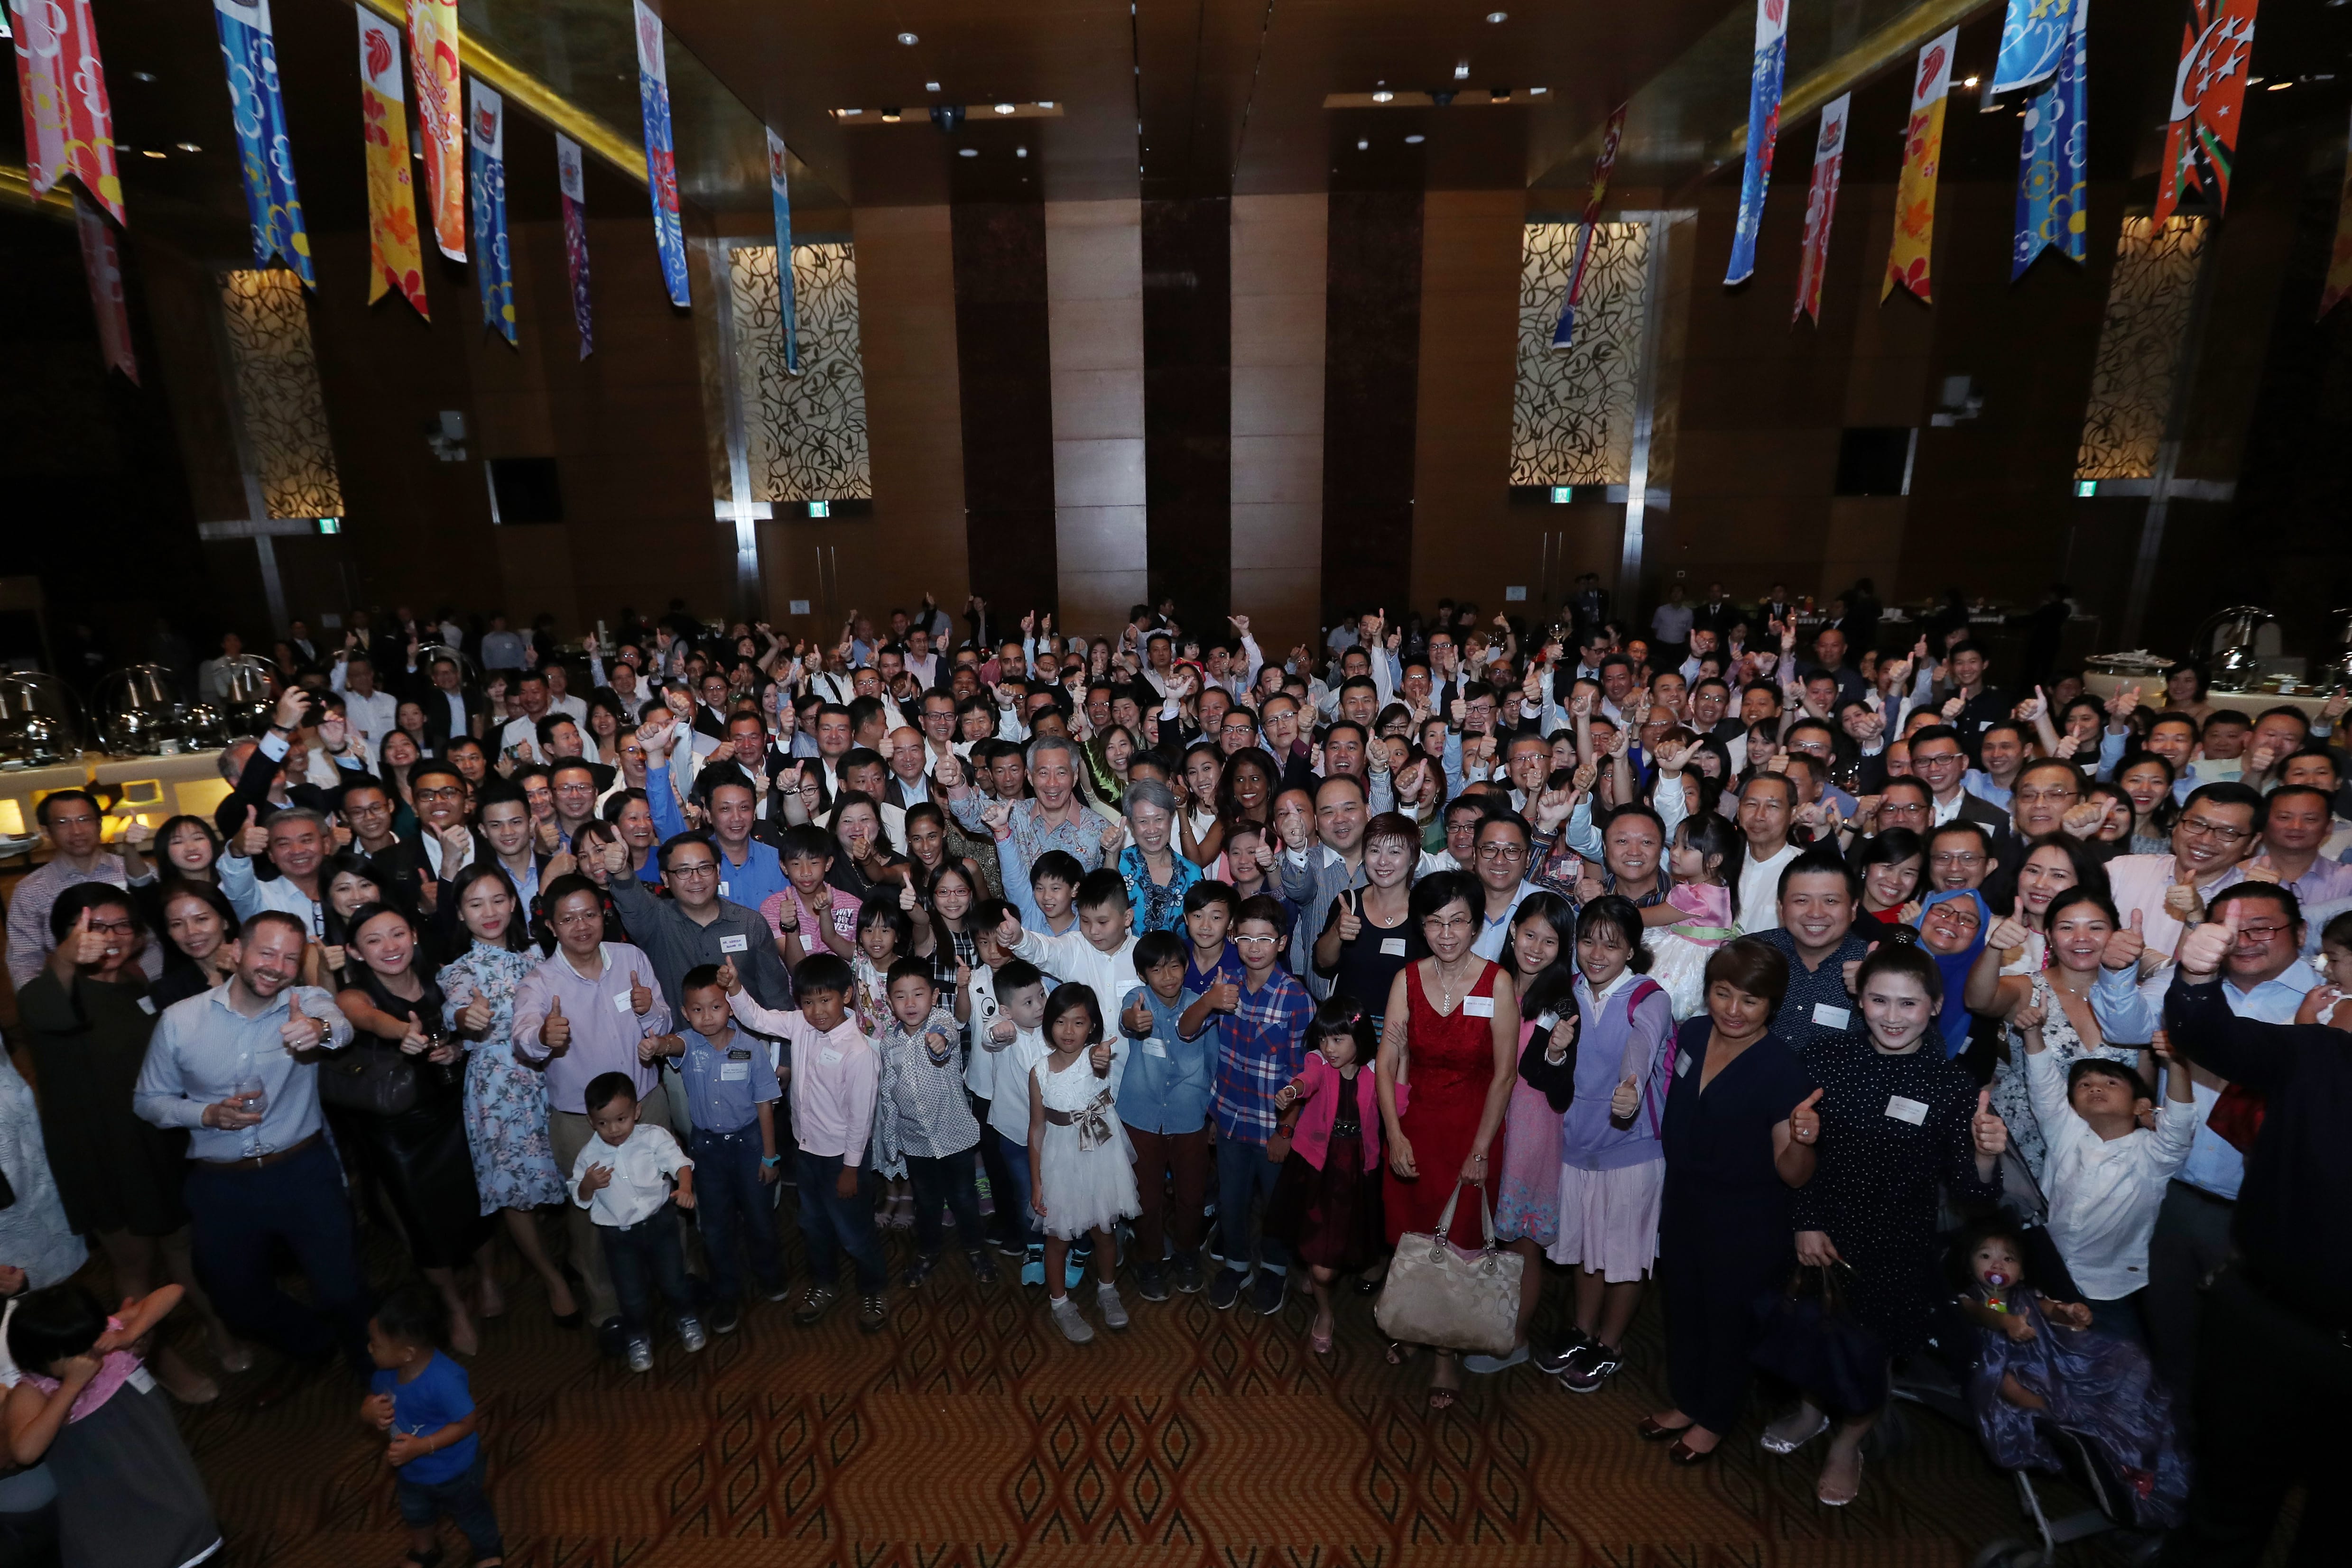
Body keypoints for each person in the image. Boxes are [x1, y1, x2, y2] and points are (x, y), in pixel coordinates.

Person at [1764, 943, 2003, 1505]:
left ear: (1935, 1007)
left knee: (1870, 1354)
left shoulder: (1951, 1087)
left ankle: (1848, 1442)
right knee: (1809, 1337)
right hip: (1820, 1228)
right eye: (1878, 1000)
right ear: (1859, 998)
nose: (1891, 1017)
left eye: (1907, 1004)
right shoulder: (1824, 1059)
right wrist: (1805, 1223)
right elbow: (1800, 1159)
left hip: (1897, 1246)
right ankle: (1809, 1411)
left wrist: (1987, 1155)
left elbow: (1973, 1195)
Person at [2158, 903, 2352, 1565]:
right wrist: (2196, 973)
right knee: (2225, 1514)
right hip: (2267, 1325)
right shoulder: (2320, 1054)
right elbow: (2212, 1036)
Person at [13, 889, 244, 1404]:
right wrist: (66, 961)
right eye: (93, 928)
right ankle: (156, 1361)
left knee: (184, 1246)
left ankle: (216, 1327)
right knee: (135, 1262)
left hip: (155, 1135)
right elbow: (48, 1005)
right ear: (66, 938)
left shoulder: (136, 981)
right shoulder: (48, 992)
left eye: (122, 927)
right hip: (102, 1151)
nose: (110, 939)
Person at [132, 912, 369, 1402]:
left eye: (289, 958)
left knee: (343, 1288)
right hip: (222, 1184)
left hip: (303, 1171)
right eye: (266, 952)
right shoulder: (181, 1020)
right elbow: (147, 1101)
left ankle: (373, 1370)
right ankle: (313, 1342)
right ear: (236, 951)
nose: (277, 967)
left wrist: (317, 1031)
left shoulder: (305, 1004)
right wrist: (206, 1115)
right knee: (235, 1300)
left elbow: (339, 1028)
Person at [1641, 938, 1817, 1463]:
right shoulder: (1692, 1033)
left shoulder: (1781, 1069)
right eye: (1722, 994)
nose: (1733, 1011)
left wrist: (1804, 1140)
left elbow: (1793, 1174)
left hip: (1744, 1219)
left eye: (1749, 1001)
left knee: (1727, 1320)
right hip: (1684, 1201)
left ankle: (1715, 1416)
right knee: (1682, 1309)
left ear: (1771, 1005)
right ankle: (1687, 1400)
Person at [509, 878, 678, 1350]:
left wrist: (651, 1013)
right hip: (580, 1122)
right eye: (567, 919)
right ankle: (608, 1311)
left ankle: (679, 1285)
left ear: (603, 914)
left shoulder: (631, 959)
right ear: (551, 926)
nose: (581, 926)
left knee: (664, 1196)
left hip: (646, 1104)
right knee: (590, 1215)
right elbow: (522, 1037)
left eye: (589, 915)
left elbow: (662, 1020)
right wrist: (544, 1037)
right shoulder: (540, 982)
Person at [1376, 871, 1521, 1410]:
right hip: (1417, 1125)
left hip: (1472, 1129)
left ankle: (1445, 1356)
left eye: (1458, 921)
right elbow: (1387, 1062)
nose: (1446, 933)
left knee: (1458, 1240)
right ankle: (1414, 1320)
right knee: (1412, 1233)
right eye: (1435, 923)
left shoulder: (1497, 983)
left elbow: (1505, 1074)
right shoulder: (1407, 980)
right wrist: (1393, 1133)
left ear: (1476, 924)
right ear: (1421, 926)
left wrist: (1481, 1149)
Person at [1526, 894, 1675, 1395]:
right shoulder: (1564, 992)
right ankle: (1581, 1331)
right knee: (1586, 1247)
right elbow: (1538, 1065)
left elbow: (1643, 1043)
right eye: (1587, 940)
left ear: (1630, 950)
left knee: (1624, 1253)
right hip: (1572, 1144)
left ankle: (1610, 1345)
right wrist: (1550, 1051)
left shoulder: (1648, 997)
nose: (1595, 953)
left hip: (1630, 1150)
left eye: (1610, 945)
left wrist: (1629, 1086)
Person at [331, 903, 493, 1354]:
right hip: (398, 1131)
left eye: (397, 933)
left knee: (477, 1201)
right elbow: (365, 1018)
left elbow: (465, 1029)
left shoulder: (440, 978)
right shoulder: (353, 995)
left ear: (414, 936)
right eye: (374, 940)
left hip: (453, 1109)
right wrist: (401, 1030)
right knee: (425, 1223)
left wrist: (456, 1051)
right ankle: (453, 1307)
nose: (389, 947)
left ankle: (487, 1278)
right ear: (355, 951)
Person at [719, 954, 889, 1333]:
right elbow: (759, 1018)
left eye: (825, 1000)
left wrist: (850, 1169)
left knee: (854, 1231)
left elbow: (861, 1119)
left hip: (844, 1160)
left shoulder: (858, 1052)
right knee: (813, 1225)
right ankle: (825, 1283)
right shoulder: (799, 1025)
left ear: (846, 996)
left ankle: (874, 1288)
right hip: (807, 1151)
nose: (816, 1011)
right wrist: (734, 989)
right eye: (808, 1002)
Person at [439, 864, 577, 1326]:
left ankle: (581, 1257)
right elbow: (455, 1009)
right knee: (515, 1189)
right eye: (475, 904)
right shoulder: (459, 971)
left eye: (497, 900)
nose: (489, 912)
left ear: (513, 902)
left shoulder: (540, 954)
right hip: (497, 1090)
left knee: (570, 1169)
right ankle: (550, 1277)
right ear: (460, 913)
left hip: (554, 1073)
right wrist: (464, 1020)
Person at [2, 1283, 220, 1568]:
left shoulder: (106, 1341)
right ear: (38, 1356)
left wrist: (129, 1332)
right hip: (111, 1525)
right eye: (67, 1353)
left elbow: (172, 1292)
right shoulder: (35, 1390)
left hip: (173, 1498)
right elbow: (25, 1452)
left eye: (85, 1341)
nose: (84, 1355)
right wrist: (71, 1386)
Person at [1189, 894, 1314, 1318]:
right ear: (1233, 938)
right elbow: (1189, 1030)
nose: (1254, 947)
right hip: (1228, 1119)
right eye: (1245, 937)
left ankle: (1275, 1269)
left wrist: (1287, 1130)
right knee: (1233, 1198)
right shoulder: (1225, 984)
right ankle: (1237, 1265)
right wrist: (1209, 1000)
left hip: (1273, 1126)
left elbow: (1304, 1074)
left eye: (1265, 938)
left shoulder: (1296, 998)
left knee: (1276, 1204)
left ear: (1281, 943)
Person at [360, 1282, 504, 1568]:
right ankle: (425, 1551)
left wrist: (423, 1446)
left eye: (376, 1345)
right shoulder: (386, 1373)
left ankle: (488, 1552)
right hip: (412, 1471)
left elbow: (467, 1422)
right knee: (416, 1515)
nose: (369, 1349)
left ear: (408, 1353)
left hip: (456, 1469)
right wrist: (368, 1412)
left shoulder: (444, 1381)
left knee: (471, 1513)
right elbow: (375, 1401)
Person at [1026, 982, 1138, 1343]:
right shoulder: (1039, 1072)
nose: (1069, 1031)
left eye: (1078, 1022)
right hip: (1059, 1160)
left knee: (1104, 1232)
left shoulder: (1095, 1057)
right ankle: (1060, 1304)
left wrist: (1101, 1059)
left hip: (1100, 1157)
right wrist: (1037, 1181)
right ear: (1048, 1025)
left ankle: (1108, 1290)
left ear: (1092, 1027)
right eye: (1060, 1022)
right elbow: (1037, 1128)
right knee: (1057, 1238)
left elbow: (1100, 1066)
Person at [868, 957, 990, 1288]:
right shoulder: (889, 1043)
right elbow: (888, 1094)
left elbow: (944, 1043)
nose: (910, 1003)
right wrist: (891, 1141)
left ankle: (976, 1248)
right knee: (927, 1200)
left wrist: (937, 1044)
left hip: (954, 1136)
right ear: (890, 1000)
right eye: (901, 996)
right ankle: (928, 1251)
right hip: (916, 1140)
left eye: (918, 994)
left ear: (935, 996)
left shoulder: (943, 1021)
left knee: (964, 1197)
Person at [570, 1071, 703, 1373]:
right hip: (619, 1237)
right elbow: (580, 1197)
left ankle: (686, 1317)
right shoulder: (588, 1155)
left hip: (661, 1225)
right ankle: (638, 1335)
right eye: (603, 1123)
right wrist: (588, 1184)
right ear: (591, 1122)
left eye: (621, 1119)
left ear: (636, 1112)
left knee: (674, 1278)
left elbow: (679, 1162)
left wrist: (684, 1188)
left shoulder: (653, 1137)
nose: (614, 1129)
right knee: (630, 1293)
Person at [1114, 930, 1213, 1302]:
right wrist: (1132, 1021)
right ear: (1144, 976)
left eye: (1175, 966)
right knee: (1147, 1197)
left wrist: (1214, 1115)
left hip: (1190, 1116)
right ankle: (1150, 1259)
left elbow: (1213, 1059)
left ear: (1186, 967)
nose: (1168, 976)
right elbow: (1129, 1019)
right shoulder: (1137, 1000)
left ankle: (1188, 1253)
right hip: (1141, 1116)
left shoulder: (1201, 1004)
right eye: (1157, 970)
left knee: (1191, 1194)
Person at [5, 790, 158, 987]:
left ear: (99, 825)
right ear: (45, 831)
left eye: (84, 819)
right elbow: (24, 959)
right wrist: (38, 1004)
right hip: (82, 994)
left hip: (152, 982)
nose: (76, 831)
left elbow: (164, 931)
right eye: (63, 823)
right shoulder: (31, 890)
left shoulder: (138, 872)